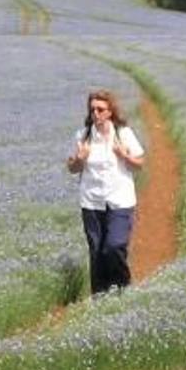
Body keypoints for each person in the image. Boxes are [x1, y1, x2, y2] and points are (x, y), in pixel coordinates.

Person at [66, 88, 145, 294]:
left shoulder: (123, 134)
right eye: (92, 110)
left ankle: (123, 288)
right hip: (91, 202)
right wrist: (80, 159)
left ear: (110, 112)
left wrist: (124, 156)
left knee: (114, 246)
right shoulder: (82, 136)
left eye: (100, 110)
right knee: (96, 252)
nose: (96, 114)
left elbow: (139, 164)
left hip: (120, 200)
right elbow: (72, 168)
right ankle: (100, 298)